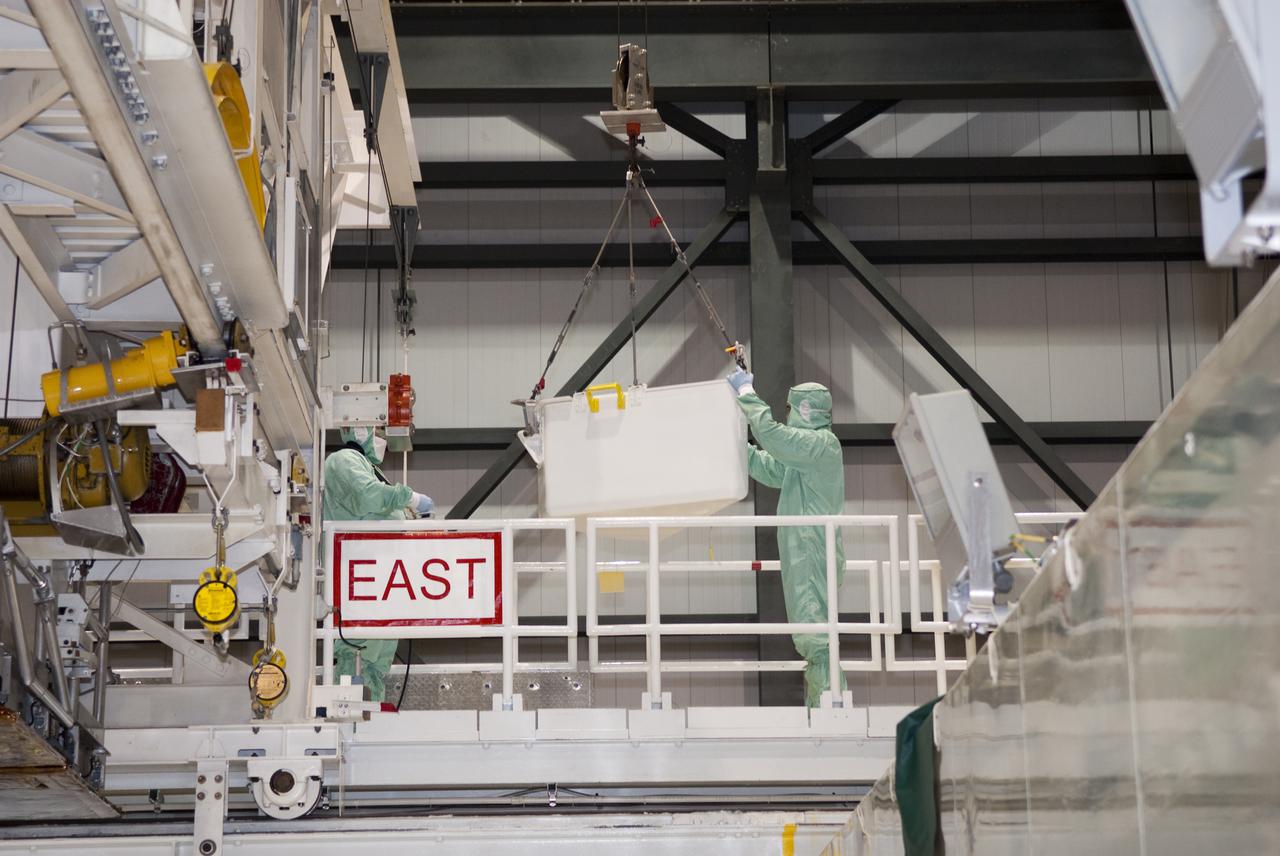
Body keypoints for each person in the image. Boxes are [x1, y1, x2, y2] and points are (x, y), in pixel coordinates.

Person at [728, 369, 847, 708]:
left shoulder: (821, 445)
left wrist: (748, 394)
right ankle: (821, 703)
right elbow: (771, 467)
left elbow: (774, 437)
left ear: (806, 410)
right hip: (803, 550)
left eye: (792, 408)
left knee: (815, 633)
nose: (789, 414)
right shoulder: (804, 457)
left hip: (812, 550)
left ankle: (831, 706)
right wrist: (738, 445)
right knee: (809, 632)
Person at [323, 425, 434, 703]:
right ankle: (349, 707)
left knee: (376, 657)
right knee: (356, 652)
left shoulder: (367, 467)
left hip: (382, 580)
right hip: (359, 575)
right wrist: (410, 497)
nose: (383, 439)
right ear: (362, 431)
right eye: (380, 430)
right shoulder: (343, 460)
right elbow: (368, 495)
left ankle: (370, 707)